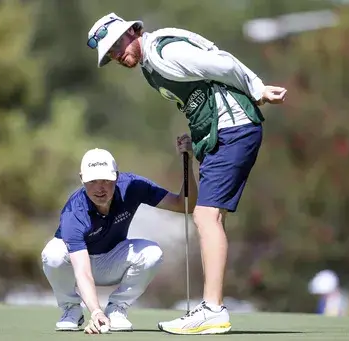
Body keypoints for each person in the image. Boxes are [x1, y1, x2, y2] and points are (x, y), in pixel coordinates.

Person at [86, 13, 288, 335]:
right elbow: (201, 98)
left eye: (116, 45)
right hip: (221, 134)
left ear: (132, 32)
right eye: (110, 55)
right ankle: (211, 308)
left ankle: (213, 309)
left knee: (206, 217)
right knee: (209, 218)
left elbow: (221, 63)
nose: (115, 55)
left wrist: (257, 88)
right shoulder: (150, 68)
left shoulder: (165, 52)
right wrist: (195, 140)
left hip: (234, 129)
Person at [41, 134, 197, 334]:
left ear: (117, 175)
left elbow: (184, 205)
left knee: (151, 253)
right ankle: (71, 309)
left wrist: (188, 162)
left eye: (106, 180)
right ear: (82, 179)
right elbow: (82, 272)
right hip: (77, 265)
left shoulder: (133, 187)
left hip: (112, 261)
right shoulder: (74, 213)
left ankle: (117, 308)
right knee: (52, 253)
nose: (100, 188)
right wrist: (96, 312)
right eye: (93, 181)